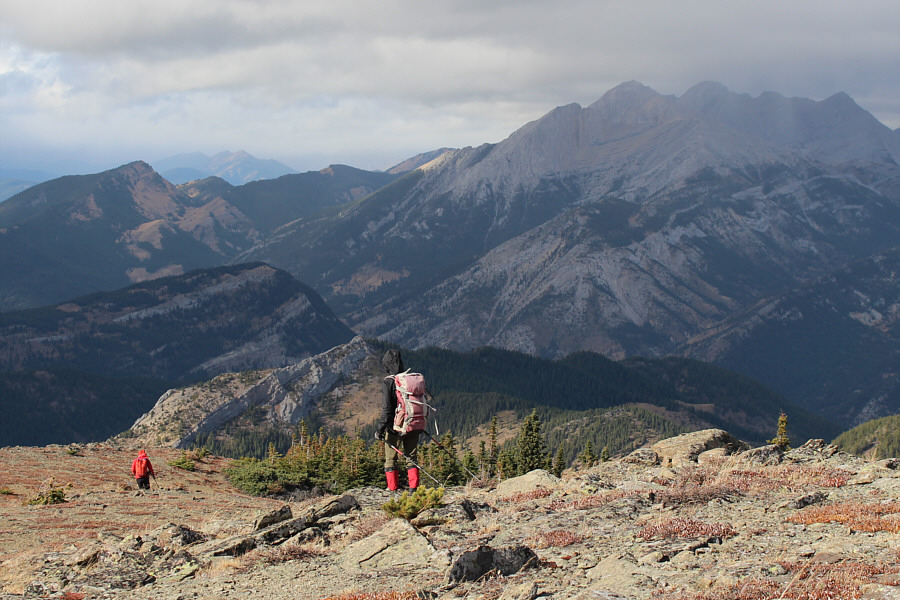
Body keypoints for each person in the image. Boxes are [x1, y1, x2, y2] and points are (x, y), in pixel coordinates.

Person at [376, 349, 421, 491]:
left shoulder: (388, 383)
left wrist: (380, 430)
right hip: (412, 422)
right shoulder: (408, 380)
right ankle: (414, 488)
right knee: (411, 456)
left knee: (390, 458)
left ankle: (392, 488)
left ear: (386, 366)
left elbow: (387, 409)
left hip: (394, 427)